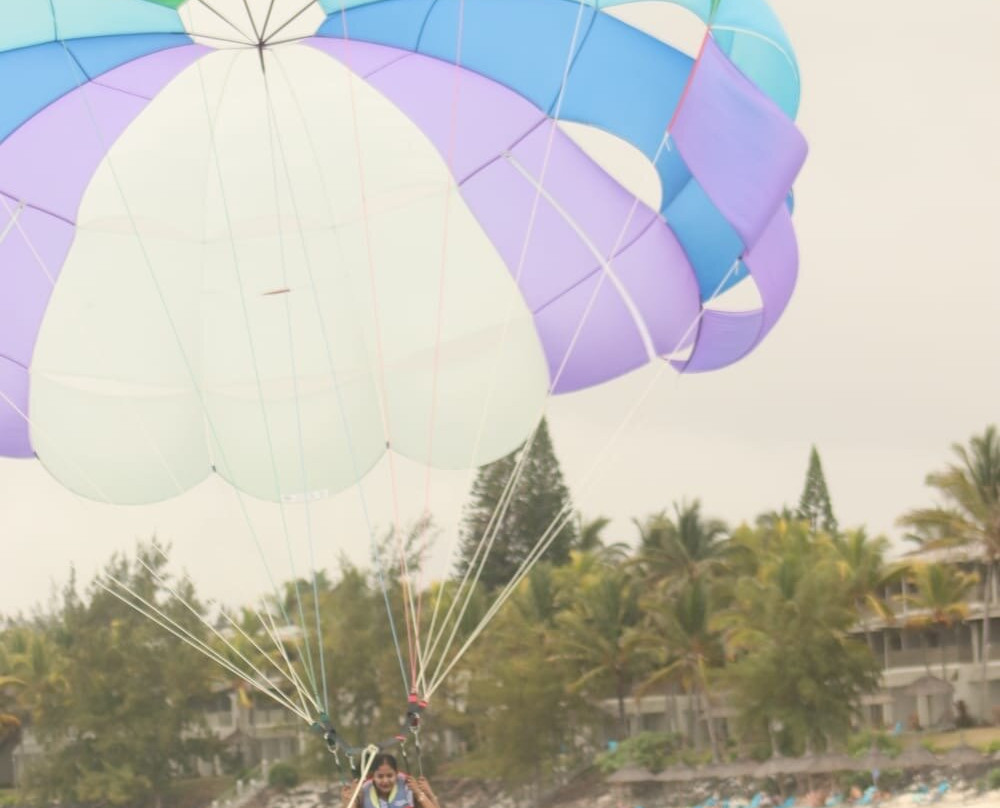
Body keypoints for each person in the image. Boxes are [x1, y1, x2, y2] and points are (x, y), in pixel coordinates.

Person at [340, 752, 440, 808]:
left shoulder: (408, 789)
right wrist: (350, 800)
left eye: (389, 776)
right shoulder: (364, 793)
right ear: (373, 776)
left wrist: (421, 793)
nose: (385, 781)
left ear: (396, 774)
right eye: (380, 776)